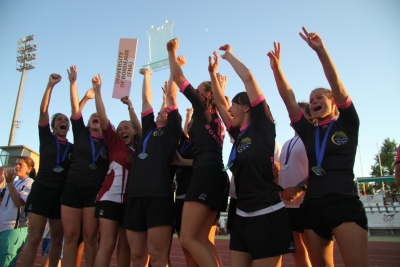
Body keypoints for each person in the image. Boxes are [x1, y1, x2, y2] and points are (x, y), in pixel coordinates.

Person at [268, 27, 368, 267]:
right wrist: (277, 70)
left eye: (319, 98)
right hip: (312, 207)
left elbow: (337, 84)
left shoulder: (348, 124)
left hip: (343, 201)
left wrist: (321, 51)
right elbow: (288, 100)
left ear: (333, 102)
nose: (313, 102)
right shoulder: (308, 131)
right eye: (311, 100)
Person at [210, 45, 294, 267]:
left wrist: (229, 57)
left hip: (266, 212)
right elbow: (220, 104)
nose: (229, 110)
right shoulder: (237, 133)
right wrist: (213, 75)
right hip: (241, 214)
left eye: (234, 105)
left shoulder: (263, 128)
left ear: (247, 107)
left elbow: (248, 78)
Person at [167, 39, 228, 267]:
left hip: (205, 174)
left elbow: (178, 78)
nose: (197, 94)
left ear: (207, 95)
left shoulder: (205, 108)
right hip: (215, 174)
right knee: (201, 238)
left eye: (201, 91)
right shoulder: (217, 116)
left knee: (188, 238)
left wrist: (171, 53)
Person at [124, 67, 181, 267]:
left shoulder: (172, 132)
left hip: (159, 197)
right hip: (135, 196)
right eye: (159, 111)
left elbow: (172, 97)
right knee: (138, 257)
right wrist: (147, 76)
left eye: (165, 111)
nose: (160, 112)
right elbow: (146, 101)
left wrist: (173, 69)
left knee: (157, 258)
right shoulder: (148, 129)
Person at [22, 73, 73, 267]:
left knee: (57, 239)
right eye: (60, 119)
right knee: (34, 238)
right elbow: (43, 110)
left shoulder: (73, 148)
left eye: (66, 120)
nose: (64, 122)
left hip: (60, 195)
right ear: (52, 126)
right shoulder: (46, 138)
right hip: (42, 190)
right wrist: (50, 85)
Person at [92, 73, 141, 267]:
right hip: (109, 199)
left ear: (134, 131)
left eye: (125, 128)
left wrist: (130, 106)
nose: (121, 131)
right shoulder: (114, 143)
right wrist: (97, 90)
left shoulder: (140, 149)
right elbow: (103, 118)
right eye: (119, 128)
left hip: (129, 203)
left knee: (126, 245)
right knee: (108, 244)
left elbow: (142, 126)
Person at [61, 66, 108, 267]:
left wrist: (99, 91)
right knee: (70, 236)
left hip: (94, 192)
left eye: (99, 116)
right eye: (92, 117)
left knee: (90, 237)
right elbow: (75, 109)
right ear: (88, 123)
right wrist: (73, 83)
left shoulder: (109, 141)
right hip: (72, 188)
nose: (95, 116)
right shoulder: (80, 133)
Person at [278, 102, 313, 267]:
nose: (293, 116)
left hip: (307, 203)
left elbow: (320, 169)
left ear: (308, 116)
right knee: (297, 253)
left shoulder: (312, 138)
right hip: (287, 205)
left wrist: (300, 188)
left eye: (297, 113)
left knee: (317, 255)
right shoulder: (286, 143)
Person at [0, 156, 36, 267]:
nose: (17, 166)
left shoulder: (30, 183)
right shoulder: (12, 183)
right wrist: (1, 182)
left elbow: (18, 202)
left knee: (6, 263)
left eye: (20, 164)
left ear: (29, 168)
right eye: (16, 164)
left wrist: (9, 183)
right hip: (3, 227)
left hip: (14, 229)